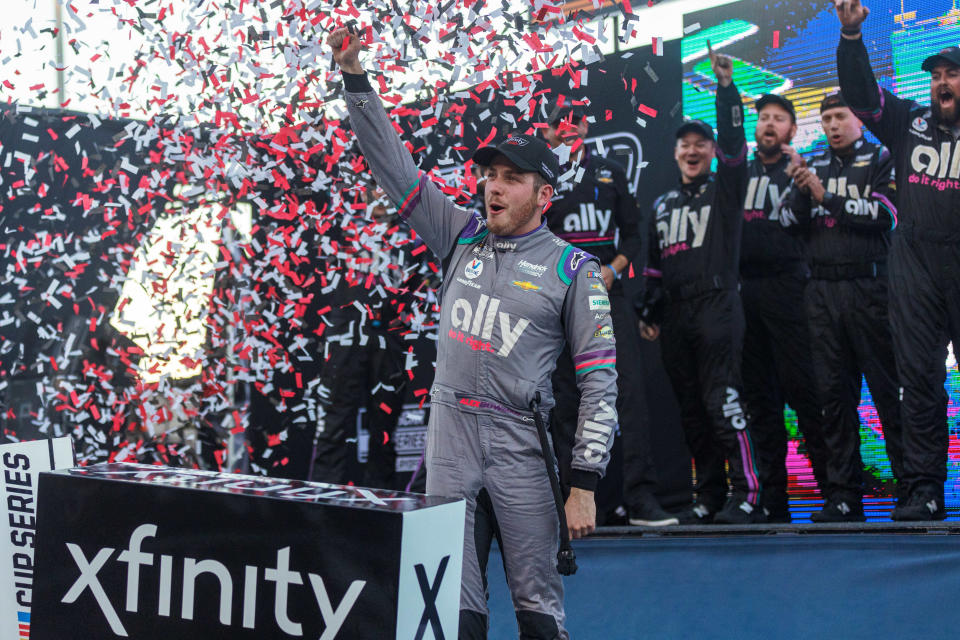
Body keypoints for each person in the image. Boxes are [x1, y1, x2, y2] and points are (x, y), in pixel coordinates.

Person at [328, 27, 618, 639]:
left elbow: (600, 384)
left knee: (538, 613)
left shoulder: (574, 268)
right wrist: (356, 80)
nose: (493, 185)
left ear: (543, 194)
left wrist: (585, 482)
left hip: (521, 447)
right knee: (454, 617)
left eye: (511, 178)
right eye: (489, 173)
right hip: (450, 441)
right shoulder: (458, 235)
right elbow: (393, 166)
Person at [834, 0, 960, 520]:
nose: (944, 83)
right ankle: (924, 490)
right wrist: (850, 37)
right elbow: (863, 97)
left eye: (953, 74)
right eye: (937, 76)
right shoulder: (909, 119)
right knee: (920, 381)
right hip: (914, 262)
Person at [638, 45, 764, 524]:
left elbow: (735, 145)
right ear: (675, 153)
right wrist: (648, 311)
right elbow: (651, 267)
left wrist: (726, 90)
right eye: (685, 145)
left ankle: (748, 493)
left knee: (723, 403)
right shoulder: (662, 205)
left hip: (718, 307)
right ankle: (708, 495)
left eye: (701, 145)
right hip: (677, 316)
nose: (692, 151)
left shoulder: (727, 189)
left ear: (712, 154)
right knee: (692, 411)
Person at [543, 98, 673, 526]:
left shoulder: (610, 171)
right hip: (557, 300)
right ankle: (570, 503)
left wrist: (614, 270)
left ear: (586, 126)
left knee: (629, 393)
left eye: (577, 120)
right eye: (560, 122)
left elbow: (634, 237)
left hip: (606, 295)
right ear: (548, 131)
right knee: (565, 401)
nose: (569, 128)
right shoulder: (542, 178)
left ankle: (640, 501)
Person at [782, 93, 903, 521]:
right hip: (821, 293)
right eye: (826, 118)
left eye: (840, 116)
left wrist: (823, 195)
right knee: (832, 398)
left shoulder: (882, 155)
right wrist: (799, 190)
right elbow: (787, 224)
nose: (833, 125)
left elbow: (884, 215)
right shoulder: (810, 164)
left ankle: (910, 491)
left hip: (870, 287)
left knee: (888, 393)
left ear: (859, 119)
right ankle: (843, 496)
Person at [739, 92, 829, 523]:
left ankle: (835, 493)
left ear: (792, 130)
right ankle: (773, 499)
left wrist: (802, 183)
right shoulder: (737, 173)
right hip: (745, 294)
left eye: (779, 119)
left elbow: (814, 224)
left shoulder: (803, 170)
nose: (770, 124)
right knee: (759, 401)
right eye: (764, 119)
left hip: (791, 289)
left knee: (806, 393)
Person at [309, 179, 433, 488]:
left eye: (384, 188)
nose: (379, 194)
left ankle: (383, 503)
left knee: (384, 426)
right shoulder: (345, 225)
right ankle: (321, 505)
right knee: (335, 421)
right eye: (372, 188)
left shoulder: (412, 235)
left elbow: (422, 288)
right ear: (362, 192)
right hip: (346, 332)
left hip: (390, 336)